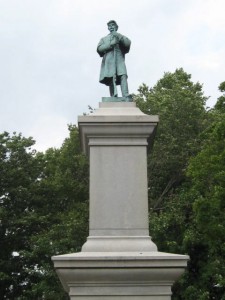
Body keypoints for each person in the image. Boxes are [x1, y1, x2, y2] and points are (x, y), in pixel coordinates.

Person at [97, 20, 132, 100]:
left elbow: (127, 43)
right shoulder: (104, 39)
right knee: (111, 77)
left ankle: (125, 95)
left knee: (123, 75)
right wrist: (110, 45)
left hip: (119, 60)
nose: (111, 27)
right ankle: (113, 96)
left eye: (113, 25)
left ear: (116, 27)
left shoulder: (120, 36)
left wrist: (118, 36)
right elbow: (99, 49)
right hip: (109, 61)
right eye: (109, 26)